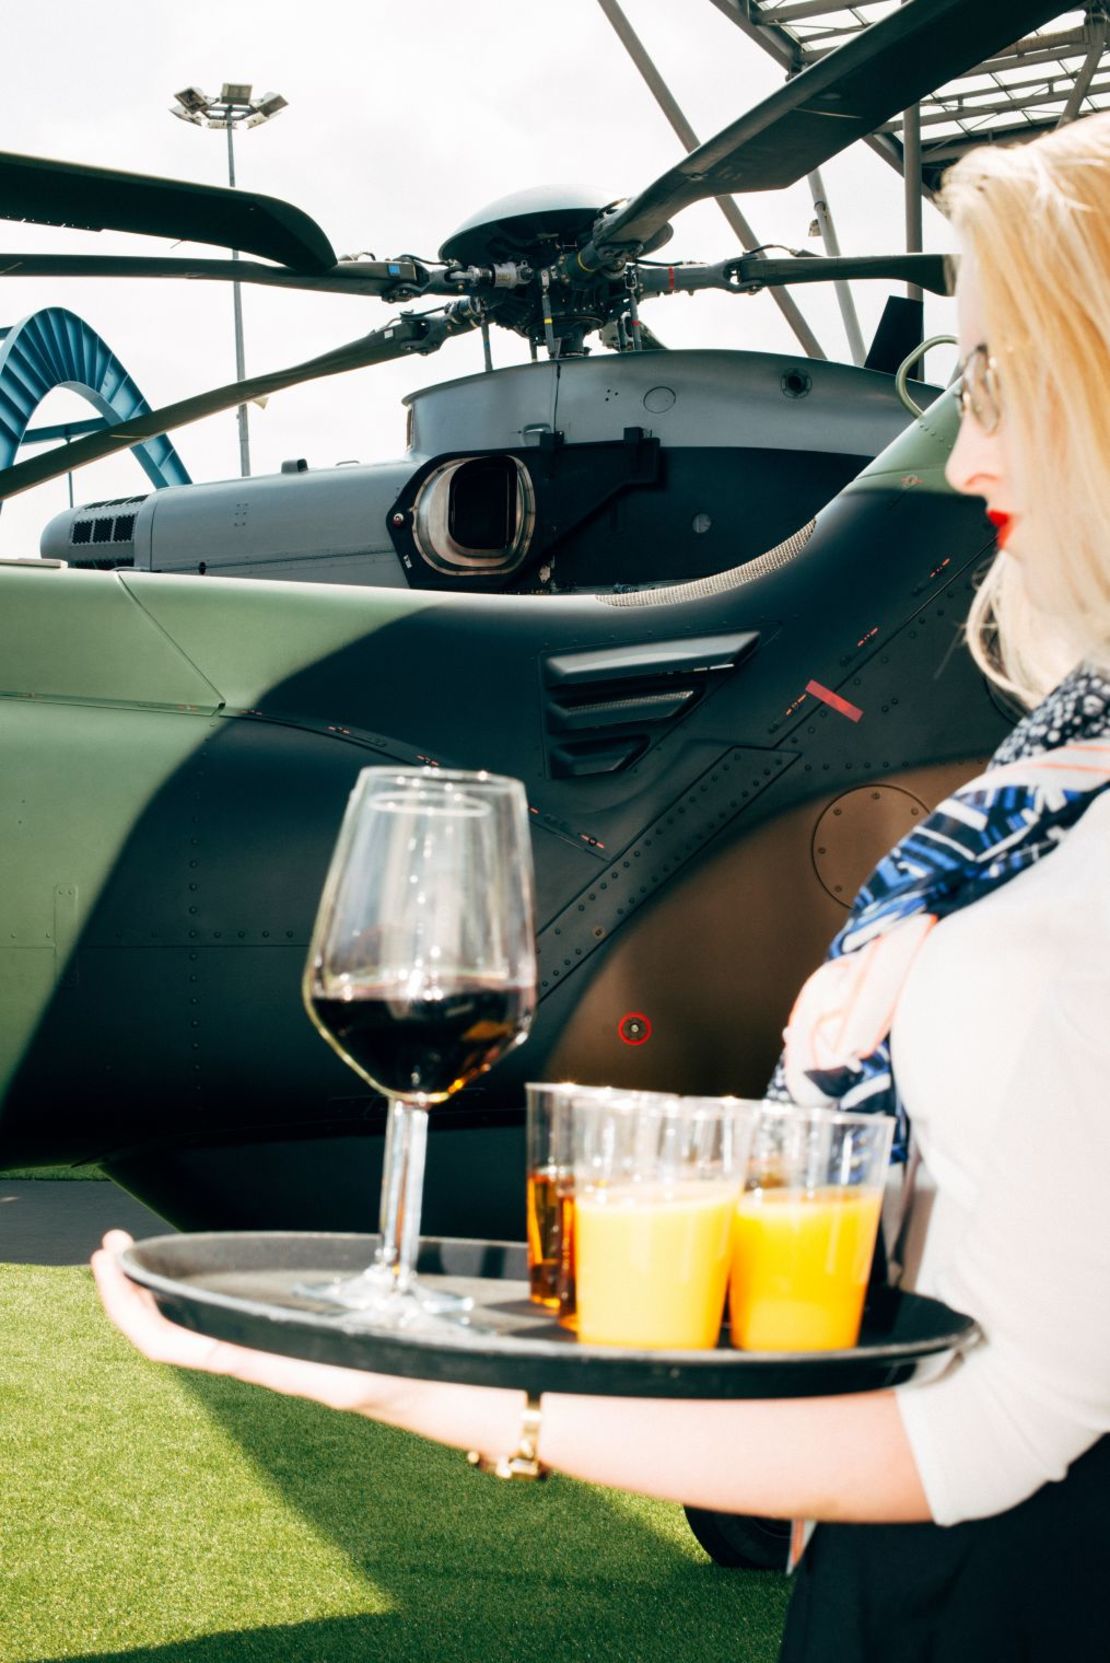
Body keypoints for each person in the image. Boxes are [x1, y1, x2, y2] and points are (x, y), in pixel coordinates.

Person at [93, 111, 1110, 1661]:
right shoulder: (1053, 774)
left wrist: (398, 1376)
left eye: (998, 383)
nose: (967, 452)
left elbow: (981, 1436)